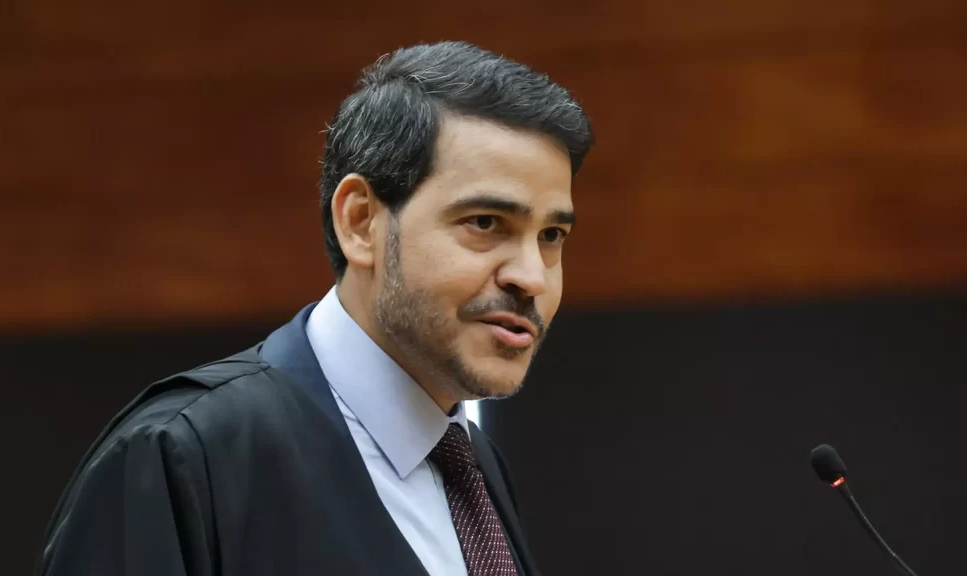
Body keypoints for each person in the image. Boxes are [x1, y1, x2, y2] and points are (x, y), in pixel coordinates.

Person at [37, 40, 593, 576]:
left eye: (551, 236)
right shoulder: (180, 455)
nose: (531, 277)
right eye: (485, 223)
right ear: (360, 222)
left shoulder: (471, 464)